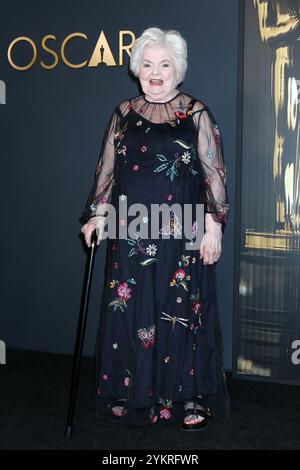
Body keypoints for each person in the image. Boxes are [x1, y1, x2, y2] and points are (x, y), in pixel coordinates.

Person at [80, 27, 230, 430]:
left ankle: (189, 398)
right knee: (132, 313)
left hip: (180, 234)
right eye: (147, 64)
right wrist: (97, 214)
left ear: (178, 70)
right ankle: (131, 392)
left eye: (164, 64)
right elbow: (106, 171)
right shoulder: (123, 114)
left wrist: (214, 226)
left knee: (180, 313)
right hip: (130, 233)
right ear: (137, 70)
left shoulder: (195, 113)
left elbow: (213, 173)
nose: (155, 72)